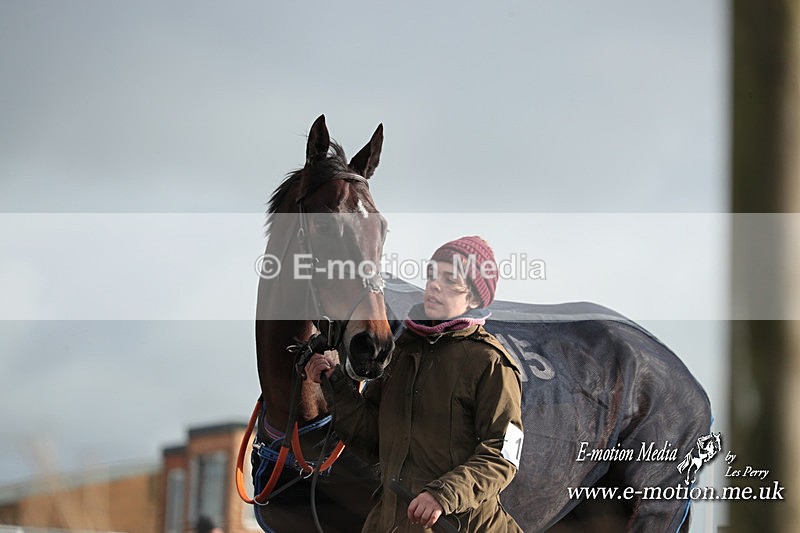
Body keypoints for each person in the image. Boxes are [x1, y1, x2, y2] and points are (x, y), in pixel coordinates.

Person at [306, 236, 524, 532]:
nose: (434, 285)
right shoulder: (401, 353)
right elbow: (374, 440)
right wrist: (336, 386)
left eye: (450, 280)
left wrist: (442, 495)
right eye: (432, 275)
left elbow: (503, 455)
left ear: (474, 298)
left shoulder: (491, 362)